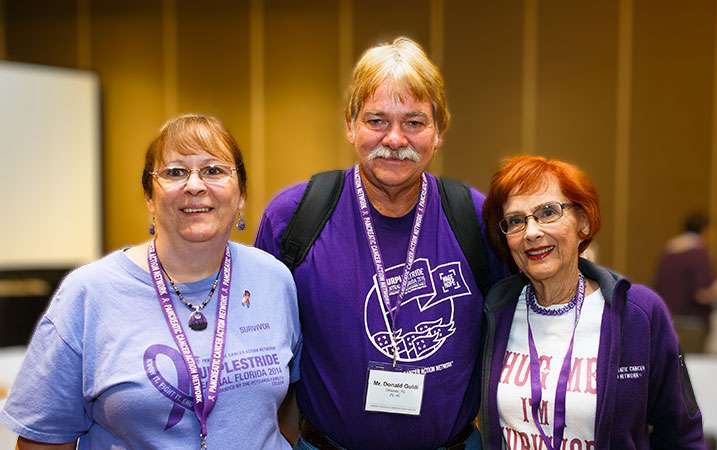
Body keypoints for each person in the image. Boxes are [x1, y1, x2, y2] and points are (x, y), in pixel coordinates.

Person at [255, 37, 508, 449]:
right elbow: (260, 351)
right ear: (350, 124)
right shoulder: (293, 217)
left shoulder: (476, 218)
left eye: (414, 122)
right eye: (376, 120)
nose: (394, 138)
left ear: (439, 131)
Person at [0, 114, 301, 449]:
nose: (195, 185)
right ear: (149, 197)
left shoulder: (274, 279)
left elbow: (286, 411)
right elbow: (43, 441)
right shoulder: (88, 294)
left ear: (241, 194)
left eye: (214, 170)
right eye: (175, 172)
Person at [480, 156, 704, 449]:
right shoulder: (495, 312)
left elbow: (681, 434)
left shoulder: (638, 314)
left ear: (582, 222)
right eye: (516, 221)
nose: (531, 232)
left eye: (548, 212)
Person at [653, 213, 715, 352]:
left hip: (667, 320)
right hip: (692, 323)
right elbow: (702, 294)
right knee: (691, 369)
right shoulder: (698, 253)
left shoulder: (668, 253)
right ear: (706, 230)